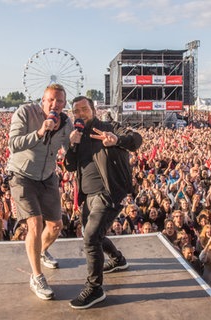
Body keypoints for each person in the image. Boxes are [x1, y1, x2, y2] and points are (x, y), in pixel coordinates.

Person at [64, 95, 142, 309]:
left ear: (93, 110)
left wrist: (116, 140)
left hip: (108, 192)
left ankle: (95, 288)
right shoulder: (77, 135)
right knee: (94, 234)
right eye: (76, 111)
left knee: (90, 237)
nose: (79, 114)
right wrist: (72, 145)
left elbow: (136, 139)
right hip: (87, 195)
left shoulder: (109, 127)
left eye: (83, 109)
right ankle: (117, 260)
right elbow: (69, 167)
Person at [7, 84, 73, 300]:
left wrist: (74, 145)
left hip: (47, 177)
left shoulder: (65, 122)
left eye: (60, 101)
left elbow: (68, 149)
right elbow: (13, 144)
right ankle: (36, 277)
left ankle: (41, 251)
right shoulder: (25, 113)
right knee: (35, 223)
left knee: (55, 226)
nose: (55, 104)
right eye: (51, 100)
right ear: (42, 100)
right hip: (21, 175)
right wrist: (40, 131)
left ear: (64, 104)